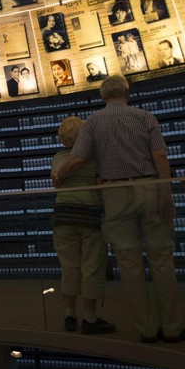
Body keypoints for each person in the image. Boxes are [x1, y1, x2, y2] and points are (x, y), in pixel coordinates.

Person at [52, 75, 185, 344]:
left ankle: (147, 329)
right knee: (161, 261)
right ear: (127, 93)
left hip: (114, 195)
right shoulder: (145, 117)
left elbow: (78, 158)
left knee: (129, 264)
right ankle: (172, 328)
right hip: (149, 189)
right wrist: (165, 195)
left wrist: (58, 176)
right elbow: (160, 156)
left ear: (103, 97)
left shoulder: (92, 122)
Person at [51, 116, 114, 334]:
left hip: (63, 216)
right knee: (92, 267)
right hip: (90, 215)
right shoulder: (94, 158)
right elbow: (100, 187)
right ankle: (90, 317)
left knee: (69, 267)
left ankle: (69, 314)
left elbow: (56, 182)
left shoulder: (57, 158)